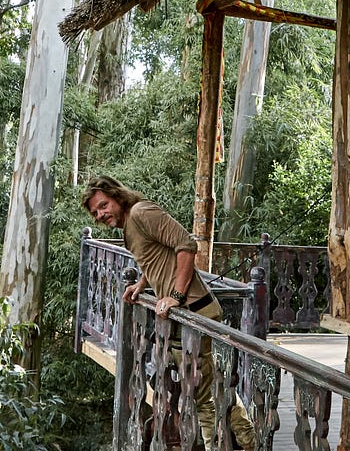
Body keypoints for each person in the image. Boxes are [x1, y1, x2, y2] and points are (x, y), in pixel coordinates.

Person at [82, 174, 255, 451]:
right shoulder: (131, 225)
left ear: (117, 196)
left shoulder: (141, 212)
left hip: (195, 313)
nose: (101, 214)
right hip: (184, 321)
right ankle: (249, 440)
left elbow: (186, 245)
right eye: (95, 212)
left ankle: (242, 442)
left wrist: (174, 296)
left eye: (103, 205)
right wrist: (141, 284)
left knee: (204, 398)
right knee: (207, 389)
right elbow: (156, 258)